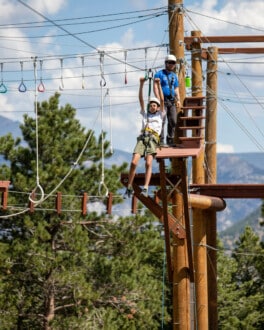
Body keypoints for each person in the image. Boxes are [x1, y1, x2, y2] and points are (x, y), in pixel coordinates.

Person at [124, 77, 165, 198]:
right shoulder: (145, 115)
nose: (152, 107)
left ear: (157, 107)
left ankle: (146, 187)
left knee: (148, 163)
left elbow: (162, 100)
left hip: (152, 139)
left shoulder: (160, 115)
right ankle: (129, 186)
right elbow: (140, 99)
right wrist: (141, 84)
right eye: (151, 105)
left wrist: (159, 85)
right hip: (142, 138)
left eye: (154, 105)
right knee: (133, 162)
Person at [154, 54, 181, 147]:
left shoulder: (174, 76)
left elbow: (176, 88)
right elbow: (156, 88)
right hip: (162, 101)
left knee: (173, 120)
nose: (172, 64)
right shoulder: (159, 74)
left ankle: (170, 140)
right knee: (161, 120)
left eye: (173, 63)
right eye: (170, 62)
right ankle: (160, 141)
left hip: (172, 101)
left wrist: (178, 100)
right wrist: (158, 101)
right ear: (166, 63)